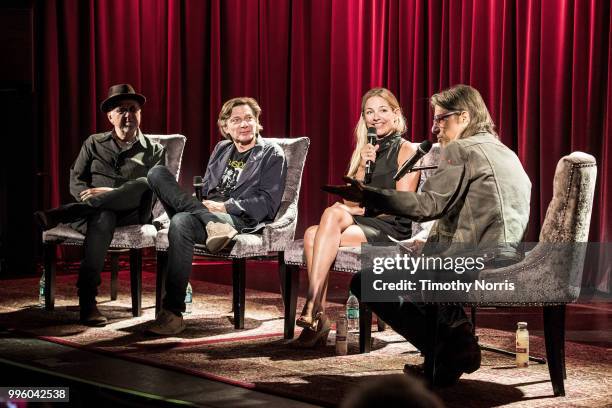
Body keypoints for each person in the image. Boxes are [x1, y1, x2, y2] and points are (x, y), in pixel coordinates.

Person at [350, 84, 532, 385]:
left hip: (473, 259)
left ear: (463, 116)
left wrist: (371, 195)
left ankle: (453, 350)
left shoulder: (462, 149)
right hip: (506, 252)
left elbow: (427, 205)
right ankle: (453, 341)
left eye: (440, 119)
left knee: (366, 281)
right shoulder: (503, 150)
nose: (434, 127)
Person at [145, 97, 287, 335]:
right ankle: (205, 218)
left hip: (237, 220)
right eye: (237, 120)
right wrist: (202, 206)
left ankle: (173, 313)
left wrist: (226, 207)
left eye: (249, 119)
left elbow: (268, 204)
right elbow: (207, 189)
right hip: (207, 213)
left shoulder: (271, 154)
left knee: (181, 221)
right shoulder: (222, 149)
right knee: (156, 173)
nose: (244, 125)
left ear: (258, 122)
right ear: (226, 126)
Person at [293, 88, 421, 347]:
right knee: (312, 232)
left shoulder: (408, 150)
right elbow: (353, 200)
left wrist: (355, 210)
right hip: (365, 221)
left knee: (326, 220)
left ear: (396, 114)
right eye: (369, 112)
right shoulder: (366, 151)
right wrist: (363, 167)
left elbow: (402, 205)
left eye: (383, 110)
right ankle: (315, 312)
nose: (376, 117)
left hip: (391, 225)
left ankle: (313, 309)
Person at [34, 84, 165, 326]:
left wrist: (114, 192)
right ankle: (88, 300)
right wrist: (92, 200)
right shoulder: (93, 143)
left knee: (145, 182)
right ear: (110, 116)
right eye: (122, 109)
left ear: (140, 114)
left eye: (133, 109)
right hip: (94, 215)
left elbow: (156, 189)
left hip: (134, 212)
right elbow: (76, 178)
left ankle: (64, 213)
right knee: (104, 217)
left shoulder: (155, 150)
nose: (128, 114)